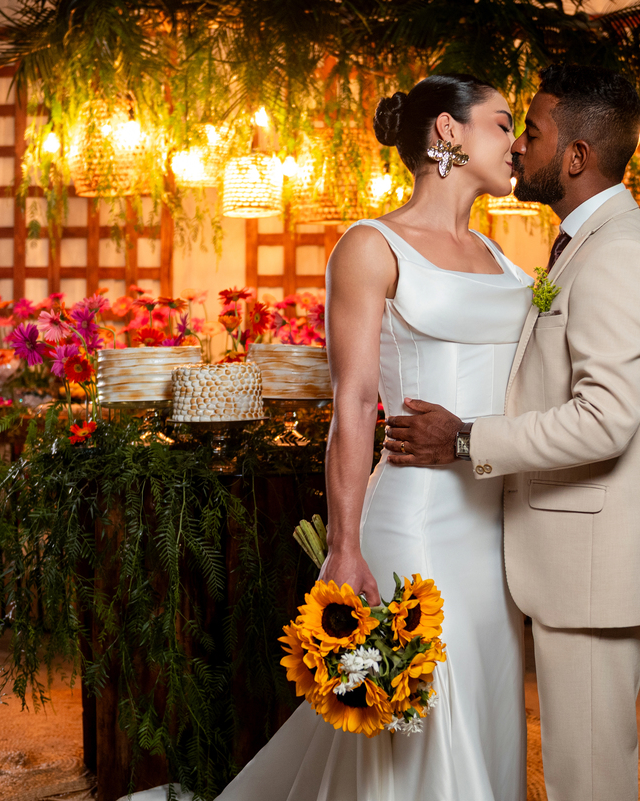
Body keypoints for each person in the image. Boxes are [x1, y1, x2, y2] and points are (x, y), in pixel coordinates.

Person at [129, 73, 531, 801]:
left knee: (485, 705)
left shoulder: (505, 260)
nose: (518, 141)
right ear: (448, 131)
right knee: (418, 721)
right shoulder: (370, 246)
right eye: (503, 124)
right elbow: (352, 406)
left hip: (495, 529)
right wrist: (344, 546)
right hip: (418, 523)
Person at [383, 63, 640, 801]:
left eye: (536, 130)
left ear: (578, 156)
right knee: (578, 771)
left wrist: (465, 439)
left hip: (596, 568)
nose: (520, 145)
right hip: (576, 563)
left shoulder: (616, 254)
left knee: (589, 781)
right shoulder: (583, 243)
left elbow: (605, 419)